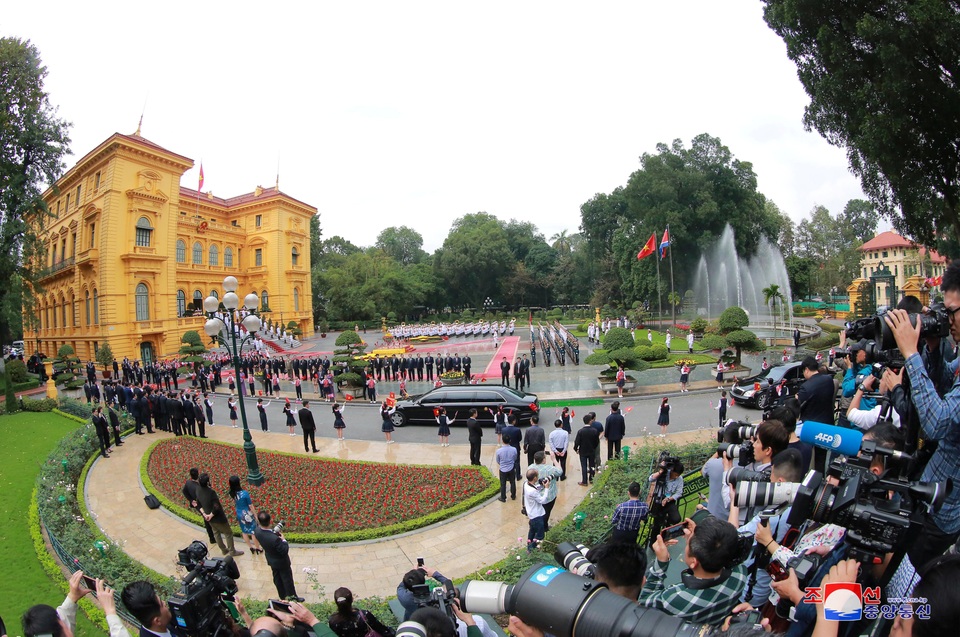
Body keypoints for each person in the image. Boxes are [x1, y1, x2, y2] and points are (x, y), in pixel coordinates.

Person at [883, 264, 960, 571]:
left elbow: (938, 422)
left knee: (907, 574)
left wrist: (911, 354)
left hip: (944, 509)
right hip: (933, 491)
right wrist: (932, 347)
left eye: (951, 311)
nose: (947, 319)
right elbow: (943, 387)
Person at [639, 516, 748, 626]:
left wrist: (661, 562)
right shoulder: (740, 574)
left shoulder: (676, 598)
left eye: (688, 545)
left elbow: (644, 601)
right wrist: (702, 539)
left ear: (693, 562)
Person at [23, 571, 130, 637]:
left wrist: (72, 597)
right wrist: (110, 612)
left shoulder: (44, 635)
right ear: (61, 624)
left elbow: (55, 624)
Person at [255, 510, 304, 602]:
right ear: (270, 521)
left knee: (277, 579)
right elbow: (284, 550)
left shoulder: (257, 531)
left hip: (271, 560)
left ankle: (282, 596)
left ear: (259, 521)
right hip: (281, 562)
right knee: (287, 580)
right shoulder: (274, 539)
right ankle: (292, 598)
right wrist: (284, 540)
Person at [195, 473, 241, 556]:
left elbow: (198, 504)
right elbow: (216, 507)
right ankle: (232, 551)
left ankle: (223, 550)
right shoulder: (211, 492)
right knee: (228, 533)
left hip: (208, 518)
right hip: (218, 518)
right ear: (207, 482)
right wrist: (211, 515)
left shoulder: (198, 489)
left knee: (216, 532)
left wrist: (205, 514)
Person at [327, 587, 396, 637]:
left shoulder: (333, 621)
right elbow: (381, 629)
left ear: (336, 602)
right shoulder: (364, 615)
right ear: (352, 599)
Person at [228, 474, 263, 556]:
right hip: (247, 513)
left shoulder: (232, 493)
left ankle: (250, 547)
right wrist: (255, 515)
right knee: (253, 531)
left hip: (239, 513)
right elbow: (250, 506)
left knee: (244, 531)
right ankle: (258, 548)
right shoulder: (244, 493)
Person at [796, 355, 836, 426]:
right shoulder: (828, 379)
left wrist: (797, 398)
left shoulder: (805, 387)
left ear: (806, 369)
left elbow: (798, 405)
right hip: (828, 422)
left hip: (812, 426)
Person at [182, 467, 216, 544]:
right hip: (203, 506)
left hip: (197, 506)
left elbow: (184, 491)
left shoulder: (188, 483)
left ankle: (211, 537)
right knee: (208, 520)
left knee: (206, 520)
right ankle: (212, 537)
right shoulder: (200, 487)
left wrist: (191, 500)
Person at [529, 450, 562, 531]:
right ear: (543, 460)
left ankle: (541, 525)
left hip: (536, 494)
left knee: (538, 511)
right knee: (546, 513)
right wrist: (554, 459)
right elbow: (560, 471)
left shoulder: (530, 468)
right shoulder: (550, 469)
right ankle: (543, 528)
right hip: (549, 496)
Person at [522, 467, 550, 552]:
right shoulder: (532, 491)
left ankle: (529, 548)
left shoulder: (526, 484)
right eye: (537, 476)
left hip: (531, 514)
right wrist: (547, 488)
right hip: (537, 515)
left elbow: (534, 488)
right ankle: (532, 549)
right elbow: (543, 500)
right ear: (534, 478)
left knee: (532, 532)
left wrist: (541, 486)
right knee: (540, 536)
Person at [573, 414, 600, 485]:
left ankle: (584, 481)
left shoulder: (580, 431)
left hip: (583, 451)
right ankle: (592, 479)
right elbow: (597, 442)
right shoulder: (594, 431)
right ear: (590, 421)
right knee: (592, 465)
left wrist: (576, 449)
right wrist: (593, 447)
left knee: (584, 466)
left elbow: (577, 442)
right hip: (591, 450)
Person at [501, 414, 523, 480]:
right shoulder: (517, 430)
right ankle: (518, 476)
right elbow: (520, 438)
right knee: (517, 461)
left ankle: (508, 476)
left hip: (506, 447)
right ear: (514, 421)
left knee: (507, 461)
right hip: (515, 447)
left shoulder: (503, 429)